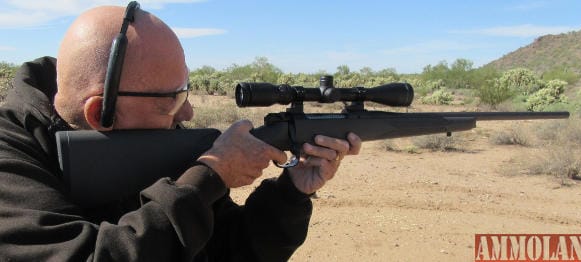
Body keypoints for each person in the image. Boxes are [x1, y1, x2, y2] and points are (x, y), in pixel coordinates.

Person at [0, 3, 361, 262]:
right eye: (171, 100)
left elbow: (237, 250)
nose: (187, 112)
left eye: (185, 91)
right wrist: (208, 177)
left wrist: (291, 192)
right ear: (99, 112)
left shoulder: (161, 136)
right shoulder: (9, 155)